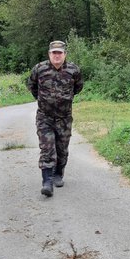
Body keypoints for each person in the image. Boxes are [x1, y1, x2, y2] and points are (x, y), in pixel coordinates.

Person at [27, 40, 83, 197]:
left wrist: (64, 99)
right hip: (45, 117)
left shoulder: (74, 70)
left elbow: (78, 87)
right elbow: (32, 87)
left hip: (64, 118)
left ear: (64, 54)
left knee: (62, 149)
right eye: (54, 53)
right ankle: (47, 182)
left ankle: (58, 173)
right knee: (47, 149)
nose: (57, 55)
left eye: (60, 52)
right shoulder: (39, 69)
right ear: (49, 54)